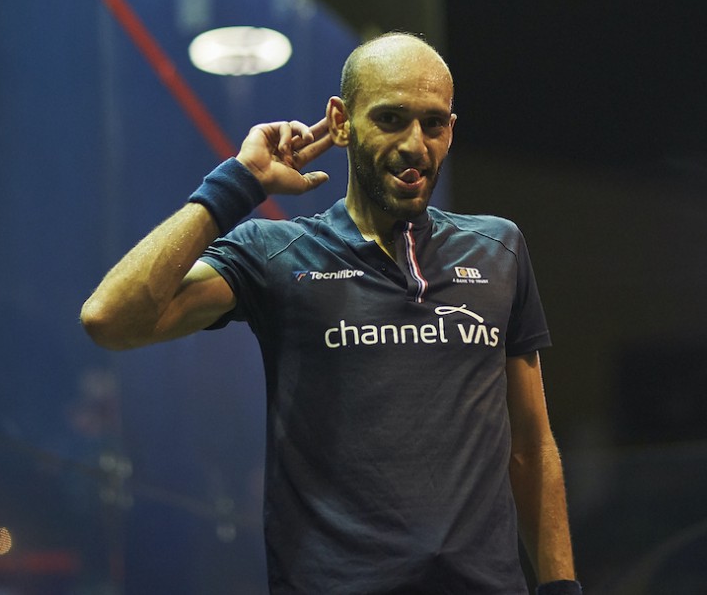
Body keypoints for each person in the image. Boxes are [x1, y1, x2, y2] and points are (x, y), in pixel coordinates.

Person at [81, 33, 579, 594]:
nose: (415, 144)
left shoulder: (499, 249)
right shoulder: (276, 254)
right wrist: (240, 181)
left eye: (433, 123)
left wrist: (561, 588)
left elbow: (531, 447)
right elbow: (109, 318)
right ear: (341, 123)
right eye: (390, 119)